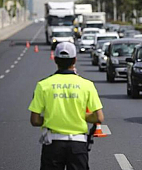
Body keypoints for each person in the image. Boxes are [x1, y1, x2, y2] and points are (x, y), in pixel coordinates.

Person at [28, 42, 104, 170]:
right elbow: (99, 117)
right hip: (78, 145)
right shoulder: (87, 85)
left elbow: (34, 120)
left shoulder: (43, 85)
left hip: (52, 144)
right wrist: (78, 115)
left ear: (55, 60)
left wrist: (52, 117)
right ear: (75, 60)